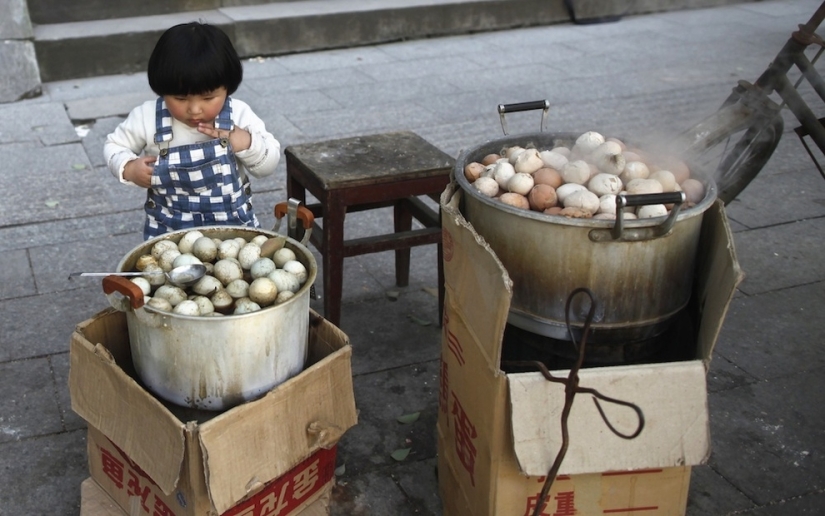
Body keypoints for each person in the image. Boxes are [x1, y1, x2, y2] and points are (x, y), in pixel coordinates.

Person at [104, 22, 280, 240]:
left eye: (208, 98)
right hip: (169, 234)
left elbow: (268, 165)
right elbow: (114, 145)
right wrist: (128, 167)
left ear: (227, 87)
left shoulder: (239, 115)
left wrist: (245, 142)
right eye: (180, 98)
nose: (195, 109)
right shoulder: (147, 117)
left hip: (234, 235)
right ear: (161, 89)